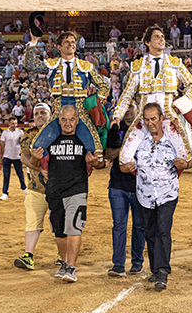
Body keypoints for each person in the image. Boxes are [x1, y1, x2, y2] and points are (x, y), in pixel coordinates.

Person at [29, 105, 104, 283]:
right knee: (59, 232)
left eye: (71, 120)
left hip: (77, 189)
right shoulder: (50, 139)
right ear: (59, 120)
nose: (68, 123)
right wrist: (35, 157)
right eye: (64, 120)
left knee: (74, 228)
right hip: (54, 190)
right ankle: (63, 262)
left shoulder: (84, 139)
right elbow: (34, 161)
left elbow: (100, 164)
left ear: (77, 120)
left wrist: (95, 163)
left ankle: (71, 266)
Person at [119, 102, 188, 291]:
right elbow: (123, 164)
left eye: (153, 119)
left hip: (167, 194)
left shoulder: (173, 140)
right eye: (147, 119)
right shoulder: (138, 142)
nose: (150, 123)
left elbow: (188, 160)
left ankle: (163, 272)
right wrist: (125, 167)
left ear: (161, 119)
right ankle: (156, 269)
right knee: (149, 232)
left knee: (163, 229)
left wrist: (184, 164)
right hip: (145, 194)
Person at [112, 24, 192, 161]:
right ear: (147, 42)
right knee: (125, 156)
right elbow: (127, 94)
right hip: (144, 116)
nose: (161, 39)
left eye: (162, 37)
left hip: (168, 114)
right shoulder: (138, 65)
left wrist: (182, 102)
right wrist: (117, 116)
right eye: (156, 37)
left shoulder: (174, 63)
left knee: (185, 156)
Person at [25, 30, 110, 154]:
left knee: (96, 150)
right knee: (37, 147)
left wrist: (97, 101)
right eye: (67, 42)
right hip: (59, 108)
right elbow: (30, 64)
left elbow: (103, 85)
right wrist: (33, 42)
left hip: (80, 109)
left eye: (73, 42)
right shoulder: (51, 65)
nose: (71, 44)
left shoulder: (85, 66)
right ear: (59, 47)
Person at [104, 100, 146, 277]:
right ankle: (118, 264)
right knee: (119, 226)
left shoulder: (144, 128)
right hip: (118, 185)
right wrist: (127, 148)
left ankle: (137, 262)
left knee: (139, 226)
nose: (128, 110)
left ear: (137, 108)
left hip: (140, 186)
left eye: (131, 106)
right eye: (125, 107)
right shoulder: (115, 128)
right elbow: (108, 154)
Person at [14, 102, 52, 271]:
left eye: (43, 113)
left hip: (58, 186)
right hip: (36, 185)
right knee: (32, 222)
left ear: (50, 115)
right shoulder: (29, 134)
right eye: (36, 114)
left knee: (59, 223)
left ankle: (62, 255)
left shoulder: (58, 132)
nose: (39, 116)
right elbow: (24, 157)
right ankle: (28, 256)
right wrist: (40, 169)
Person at [0, 116, 26, 200]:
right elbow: (2, 145)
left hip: (17, 156)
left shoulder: (20, 132)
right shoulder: (5, 133)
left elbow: (23, 145)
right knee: (6, 175)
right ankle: (5, 193)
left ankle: (24, 190)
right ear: (9, 124)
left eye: (16, 123)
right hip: (7, 156)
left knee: (20, 174)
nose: (14, 125)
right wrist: (1, 156)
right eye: (13, 123)